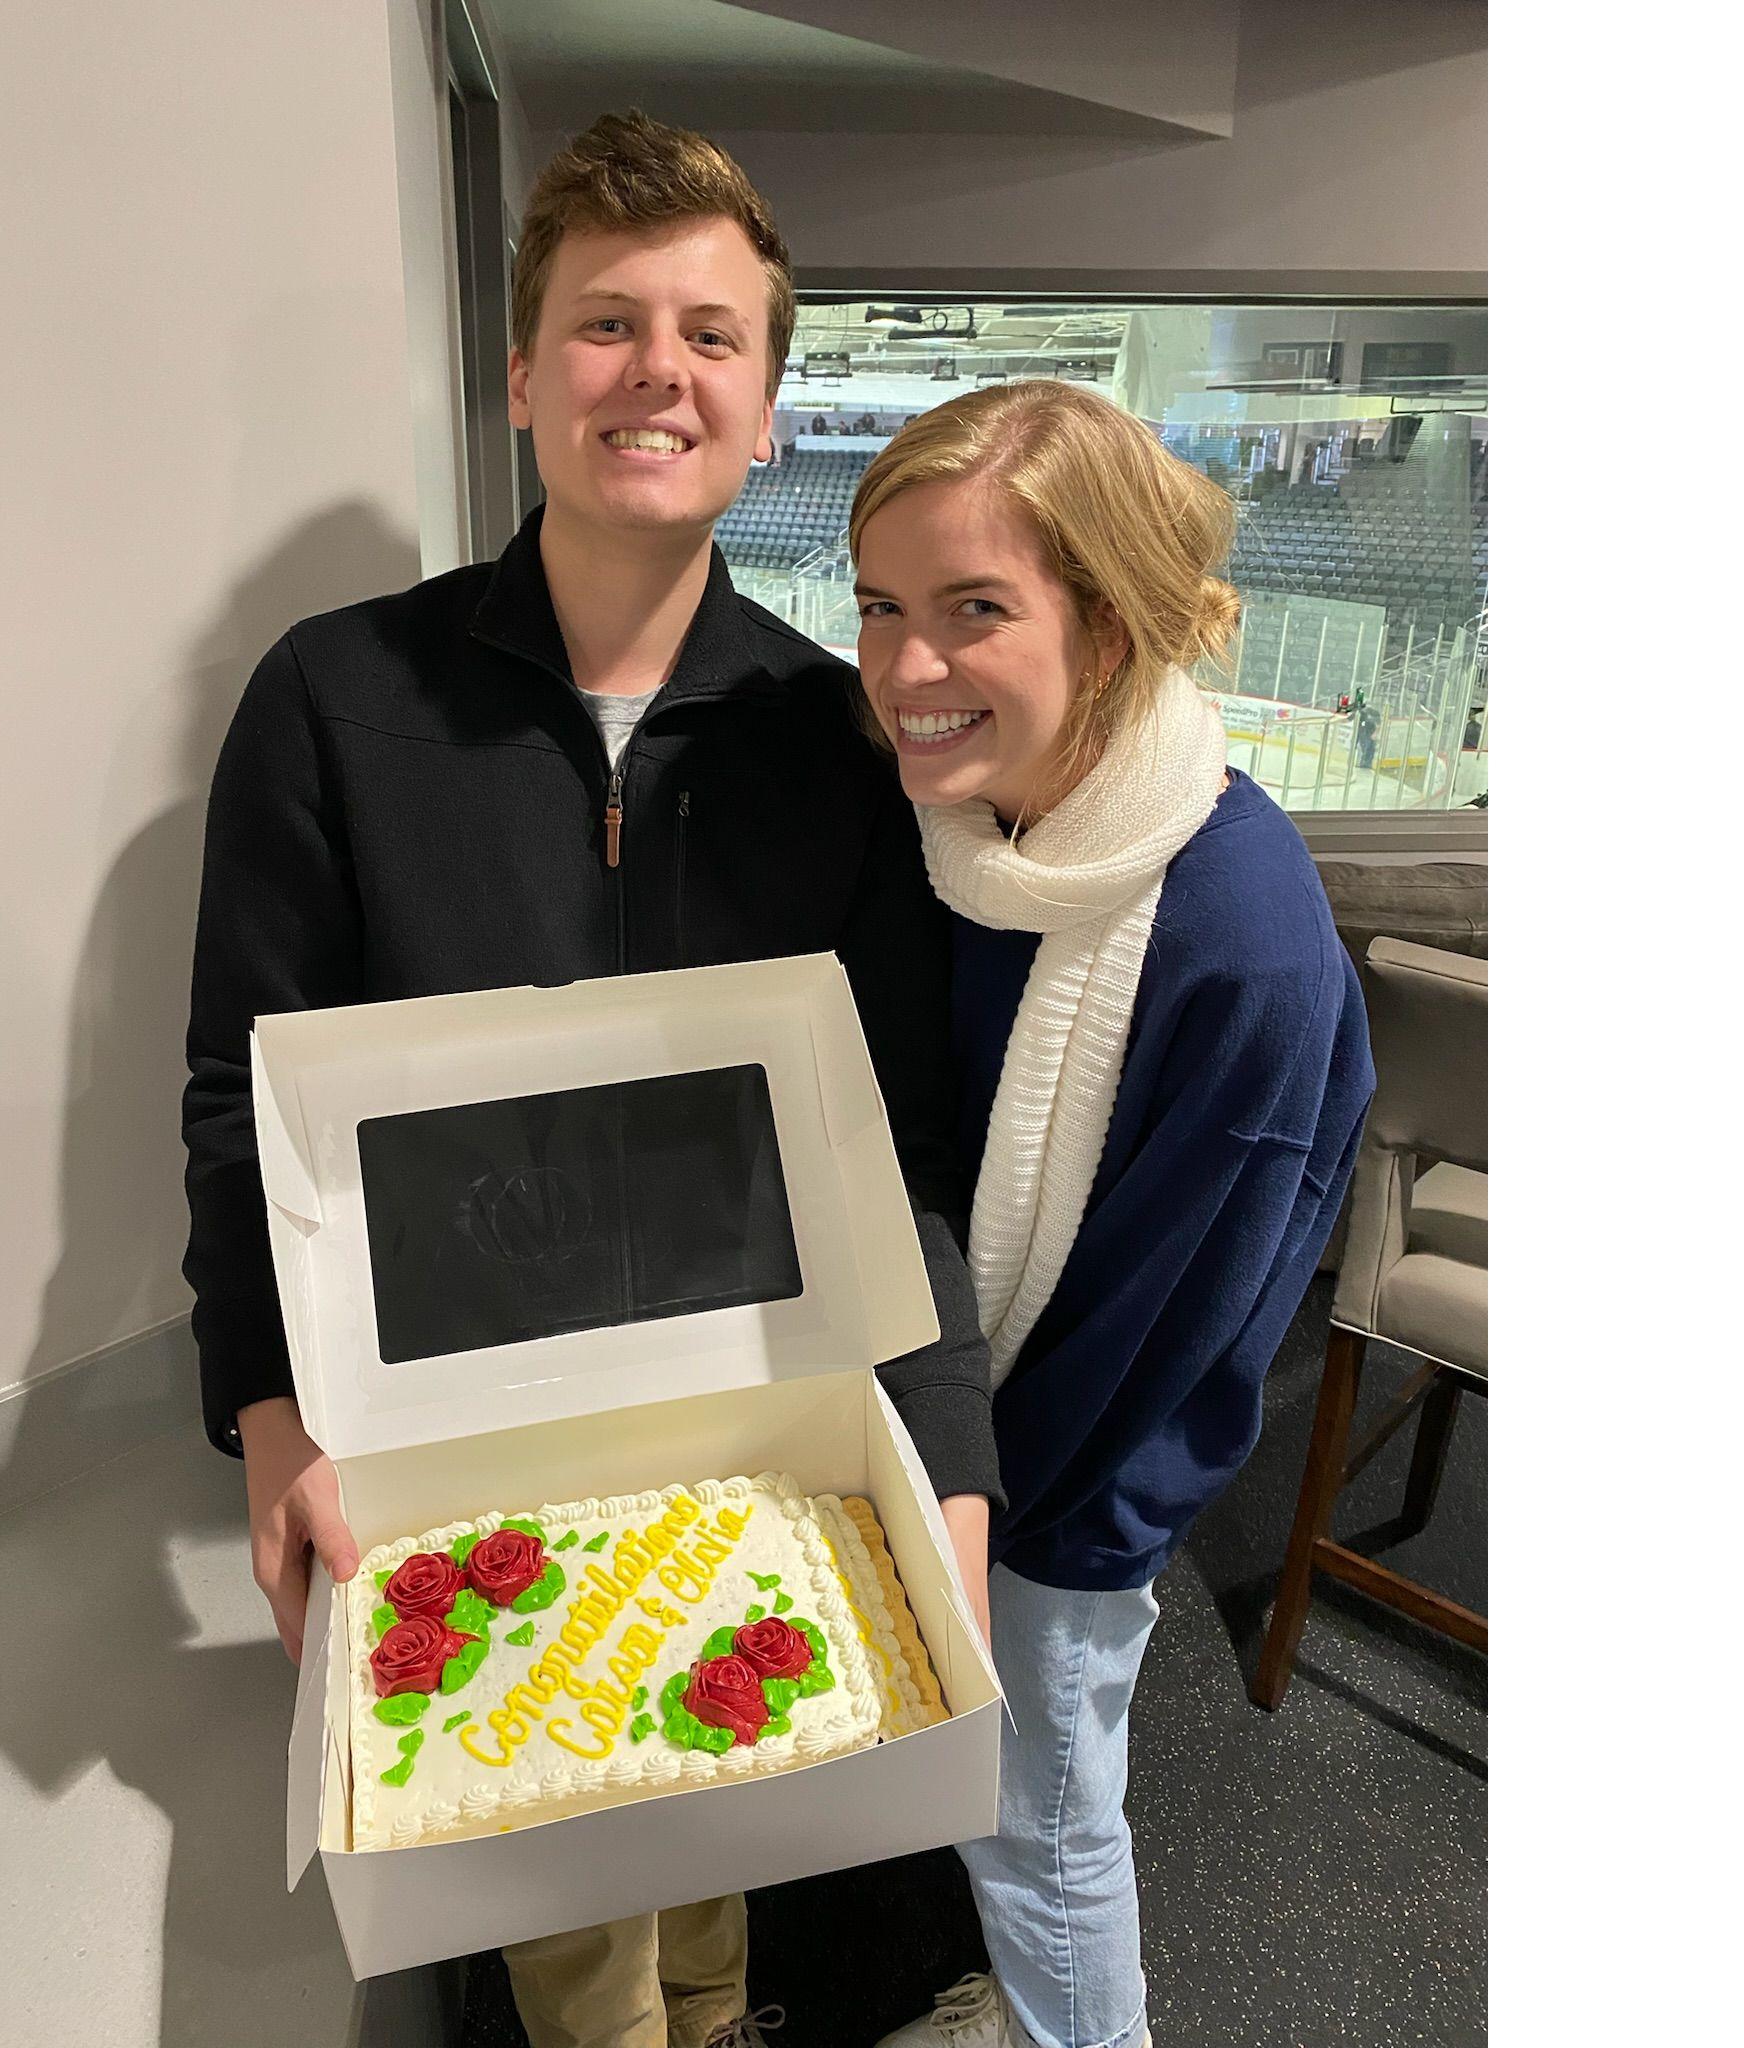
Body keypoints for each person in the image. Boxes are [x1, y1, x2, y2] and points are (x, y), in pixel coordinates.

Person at [179, 111, 1001, 2048]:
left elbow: (894, 1144)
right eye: (610, 323)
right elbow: (241, 1090)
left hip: (737, 1421)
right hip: (447, 1428)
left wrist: (948, 1455)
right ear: (525, 376)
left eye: (712, 334)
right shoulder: (332, 697)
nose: (660, 371)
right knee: (554, 1948)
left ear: (768, 400)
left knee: (716, 1919)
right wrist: (265, 1413)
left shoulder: (834, 732)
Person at [847, 383, 1374, 2048]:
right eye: (879, 608)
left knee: (1044, 1825)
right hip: (969, 1439)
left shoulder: (1228, 934)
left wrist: (978, 1516)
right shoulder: (978, 840)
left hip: (1064, 1494)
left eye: (974, 612)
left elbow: (1167, 1333)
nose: (906, 669)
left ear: (1118, 620)